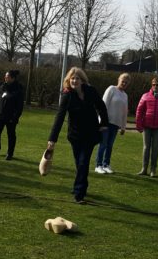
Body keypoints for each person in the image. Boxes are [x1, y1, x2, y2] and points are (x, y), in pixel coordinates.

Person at [47, 67, 109, 204]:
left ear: (82, 80)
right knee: (80, 164)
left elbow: (101, 106)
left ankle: (79, 194)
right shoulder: (67, 95)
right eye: (72, 78)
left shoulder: (91, 91)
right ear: (69, 80)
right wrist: (52, 138)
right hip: (75, 136)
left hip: (90, 134)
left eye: (77, 78)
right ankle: (82, 186)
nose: (74, 81)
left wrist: (104, 123)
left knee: (83, 162)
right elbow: (59, 117)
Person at [135, 76, 158, 177]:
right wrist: (138, 125)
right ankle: (144, 169)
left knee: (155, 148)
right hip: (146, 126)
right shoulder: (145, 96)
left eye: (157, 85)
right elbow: (139, 111)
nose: (155, 86)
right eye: (153, 84)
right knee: (146, 148)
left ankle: (153, 170)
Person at [95, 73, 130, 174]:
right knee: (103, 144)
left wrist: (123, 126)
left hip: (116, 124)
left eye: (126, 82)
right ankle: (98, 165)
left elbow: (124, 112)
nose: (124, 83)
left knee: (110, 145)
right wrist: (102, 122)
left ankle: (106, 164)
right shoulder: (111, 89)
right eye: (123, 81)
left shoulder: (125, 95)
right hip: (106, 122)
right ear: (119, 80)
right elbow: (103, 105)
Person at [0, 69, 24, 160]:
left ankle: (10, 153)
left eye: (7, 77)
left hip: (11, 117)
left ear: (12, 78)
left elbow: (20, 106)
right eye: (5, 76)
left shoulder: (18, 89)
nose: (5, 78)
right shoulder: (2, 87)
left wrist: (15, 117)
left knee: (11, 135)